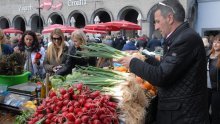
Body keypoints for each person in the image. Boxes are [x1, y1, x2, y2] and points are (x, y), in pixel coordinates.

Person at [118, 1, 210, 123]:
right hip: (180, 112)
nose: (155, 27)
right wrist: (143, 57)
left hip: (183, 116)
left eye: (157, 21)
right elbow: (166, 66)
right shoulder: (181, 36)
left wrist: (132, 63)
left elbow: (161, 75)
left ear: (170, 18)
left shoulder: (186, 38)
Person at [207, 34, 220, 124]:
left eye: (219, 42)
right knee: (204, 111)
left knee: (216, 114)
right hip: (206, 89)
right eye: (214, 42)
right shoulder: (208, 54)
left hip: (217, 90)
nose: (215, 44)